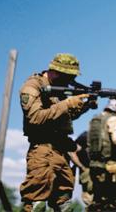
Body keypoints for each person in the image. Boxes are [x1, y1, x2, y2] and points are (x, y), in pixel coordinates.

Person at [19, 53, 94, 212]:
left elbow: (64, 116)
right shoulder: (33, 86)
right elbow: (35, 117)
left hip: (62, 150)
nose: (70, 81)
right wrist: (67, 104)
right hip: (42, 150)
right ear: (56, 71)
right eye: (68, 77)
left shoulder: (60, 89)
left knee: (64, 205)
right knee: (36, 205)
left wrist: (84, 105)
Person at [87, 100, 116, 211]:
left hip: (95, 166)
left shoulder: (95, 120)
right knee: (111, 203)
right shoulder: (114, 119)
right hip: (110, 168)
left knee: (98, 202)